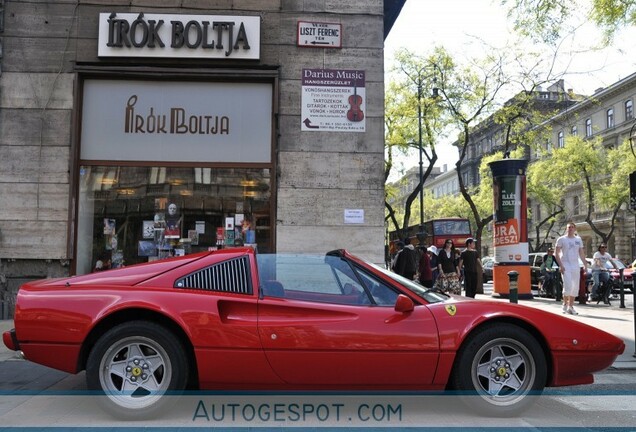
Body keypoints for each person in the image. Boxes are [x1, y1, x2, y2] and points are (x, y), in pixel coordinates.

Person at [555, 222, 588, 315]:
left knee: (574, 287)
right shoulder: (561, 239)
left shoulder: (578, 239)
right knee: (568, 285)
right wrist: (561, 265)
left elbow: (581, 253)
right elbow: (556, 253)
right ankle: (565, 304)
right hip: (565, 265)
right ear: (566, 229)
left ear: (575, 229)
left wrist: (585, 264)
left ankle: (571, 306)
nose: (570, 229)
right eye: (569, 227)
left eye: (572, 227)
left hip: (575, 265)